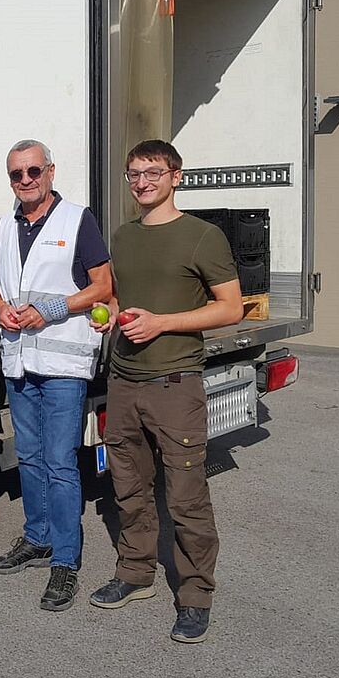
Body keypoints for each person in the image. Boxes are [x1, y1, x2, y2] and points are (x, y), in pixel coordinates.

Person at [87, 138, 243, 644]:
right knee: (128, 487)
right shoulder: (123, 236)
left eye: (153, 172)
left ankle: (196, 595)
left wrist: (162, 323)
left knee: (186, 496)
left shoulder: (202, 237)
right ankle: (135, 573)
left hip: (175, 383)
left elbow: (230, 308)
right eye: (134, 174)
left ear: (176, 176)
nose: (143, 182)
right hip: (124, 381)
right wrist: (109, 316)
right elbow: (121, 299)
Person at [0, 139, 112, 611]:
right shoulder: (5, 225)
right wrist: (1, 308)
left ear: (50, 171)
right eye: (16, 173)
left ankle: (65, 560)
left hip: (63, 365)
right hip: (20, 360)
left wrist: (52, 309)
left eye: (33, 171)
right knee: (30, 457)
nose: (25, 180)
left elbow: (102, 286)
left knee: (60, 463)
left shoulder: (77, 219)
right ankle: (37, 538)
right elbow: (2, 287)